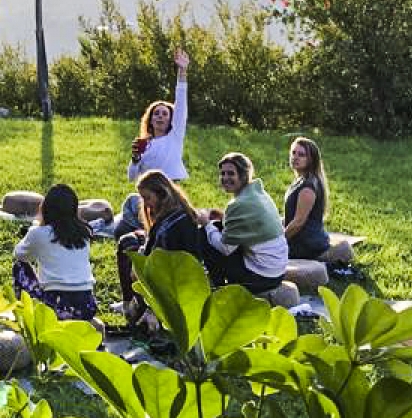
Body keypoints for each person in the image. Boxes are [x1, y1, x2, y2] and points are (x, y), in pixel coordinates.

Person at [113, 49, 190, 240]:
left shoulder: (175, 136)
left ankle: (144, 231)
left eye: (165, 113)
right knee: (129, 206)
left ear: (172, 119)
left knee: (137, 218)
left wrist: (182, 72)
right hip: (149, 195)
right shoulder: (144, 144)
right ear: (150, 119)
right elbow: (132, 177)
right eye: (156, 113)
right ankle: (138, 229)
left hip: (168, 193)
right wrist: (135, 159)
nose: (160, 116)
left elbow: (181, 102)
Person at [115, 169, 206, 322]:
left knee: (129, 248)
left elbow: (159, 259)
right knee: (128, 240)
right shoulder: (170, 213)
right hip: (167, 264)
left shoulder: (174, 223)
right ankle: (128, 302)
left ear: (162, 194)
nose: (146, 204)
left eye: (148, 198)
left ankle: (143, 308)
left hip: (175, 276)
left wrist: (137, 264)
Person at [199, 153, 287, 295]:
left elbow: (225, 248)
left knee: (205, 234)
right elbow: (245, 227)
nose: (225, 178)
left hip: (261, 278)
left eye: (231, 174)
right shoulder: (258, 194)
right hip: (276, 273)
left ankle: (219, 289)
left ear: (243, 175)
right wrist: (221, 219)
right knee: (217, 227)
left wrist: (206, 223)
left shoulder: (240, 204)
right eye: (222, 174)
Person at [12, 184, 98, 321]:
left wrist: (35, 229)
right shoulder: (84, 233)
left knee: (19, 266)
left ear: (45, 208)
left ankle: (25, 315)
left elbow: (19, 254)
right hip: (86, 305)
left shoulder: (39, 233)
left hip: (56, 305)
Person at [284, 136, 332, 260]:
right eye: (293, 153)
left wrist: (279, 241)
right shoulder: (301, 180)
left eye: (301, 155)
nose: (295, 157)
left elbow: (298, 223)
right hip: (303, 241)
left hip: (307, 246)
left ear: (311, 160)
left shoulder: (307, 188)